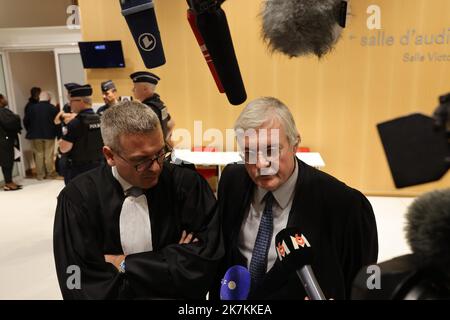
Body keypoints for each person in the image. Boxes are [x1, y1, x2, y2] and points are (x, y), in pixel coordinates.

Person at [212, 97, 378, 300]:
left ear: (295, 143)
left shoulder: (345, 205)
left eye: (271, 150)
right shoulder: (232, 180)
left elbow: (367, 282)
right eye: (250, 152)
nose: (261, 164)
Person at [53, 100, 223, 299]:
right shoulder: (78, 199)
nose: (156, 167)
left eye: (160, 153)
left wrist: (124, 264)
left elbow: (205, 262)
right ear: (109, 155)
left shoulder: (186, 185)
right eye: (140, 161)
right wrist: (170, 262)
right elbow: (77, 281)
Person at [58, 84, 104, 184]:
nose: (69, 104)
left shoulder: (75, 123)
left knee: (76, 198)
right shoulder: (101, 119)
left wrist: (60, 142)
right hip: (99, 168)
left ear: (81, 101)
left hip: (79, 170)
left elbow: (64, 148)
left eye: (71, 101)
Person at [23, 91, 59, 180]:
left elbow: (25, 121)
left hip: (35, 135)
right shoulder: (53, 108)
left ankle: (40, 175)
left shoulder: (31, 108)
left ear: (39, 98)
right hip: (49, 134)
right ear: (49, 99)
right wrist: (58, 134)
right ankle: (50, 174)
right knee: (48, 155)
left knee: (38, 154)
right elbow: (57, 122)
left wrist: (30, 130)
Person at [130, 71, 171, 141]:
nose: (132, 90)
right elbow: (171, 124)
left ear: (145, 89)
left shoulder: (147, 109)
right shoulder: (159, 103)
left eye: (135, 87)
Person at [0, 94, 22, 191]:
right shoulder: (2, 111)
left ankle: (9, 182)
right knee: (7, 162)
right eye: (4, 98)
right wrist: (16, 117)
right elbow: (10, 122)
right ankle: (8, 183)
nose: (6, 99)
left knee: (7, 161)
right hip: (4, 140)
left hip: (4, 139)